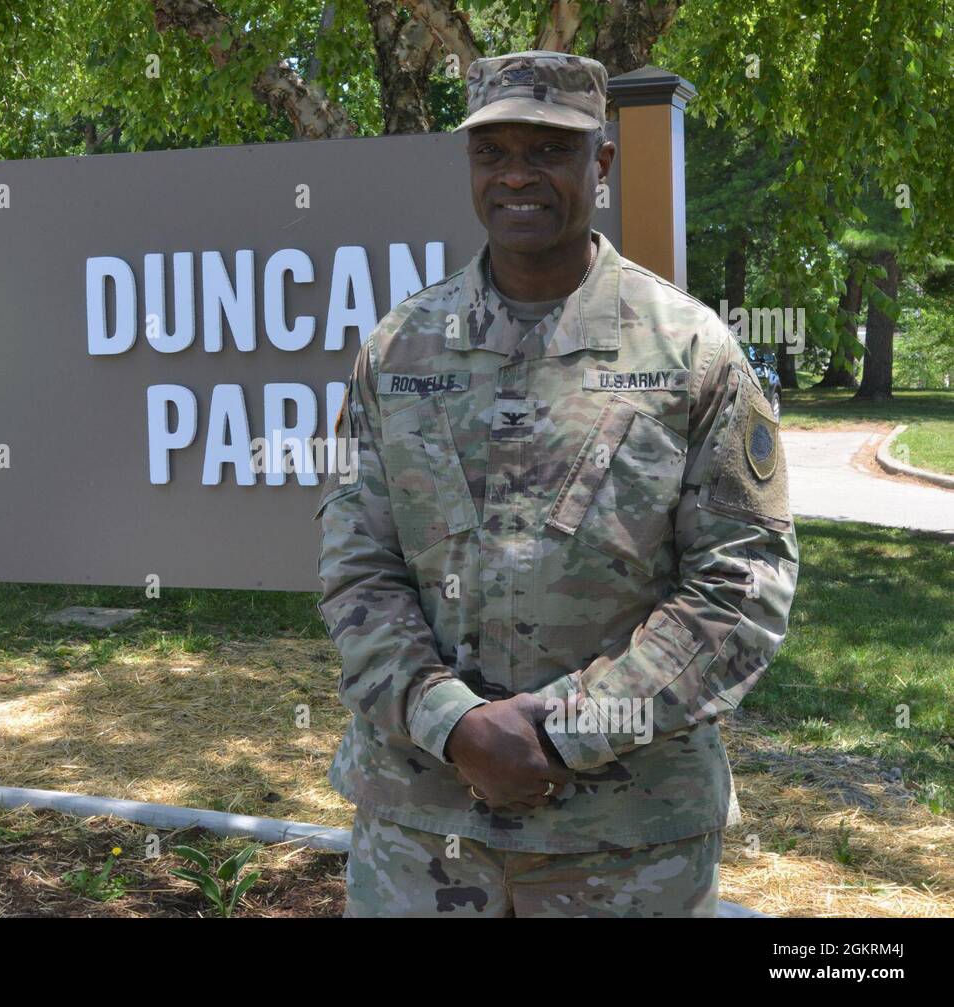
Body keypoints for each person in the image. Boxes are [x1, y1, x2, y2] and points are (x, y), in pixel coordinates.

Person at [314, 50, 799, 917]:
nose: (517, 177)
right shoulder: (397, 352)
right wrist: (453, 723)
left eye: (548, 150)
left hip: (625, 844)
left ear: (599, 163)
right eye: (492, 152)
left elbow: (741, 589)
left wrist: (564, 731)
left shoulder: (691, 355)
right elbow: (358, 568)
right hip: (422, 834)